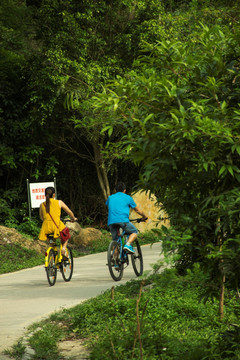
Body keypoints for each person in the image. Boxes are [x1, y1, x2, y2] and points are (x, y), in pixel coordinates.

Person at [105, 181, 147, 254]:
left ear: (115, 190)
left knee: (115, 242)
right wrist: (144, 216)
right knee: (134, 231)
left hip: (111, 222)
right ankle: (127, 245)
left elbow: (110, 206)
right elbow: (137, 210)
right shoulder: (128, 198)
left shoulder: (110, 198)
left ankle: (115, 263)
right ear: (124, 190)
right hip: (123, 221)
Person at [39, 187, 77, 259]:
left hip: (46, 229)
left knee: (52, 243)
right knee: (66, 235)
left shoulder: (42, 205)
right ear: (54, 195)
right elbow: (69, 212)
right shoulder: (59, 202)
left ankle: (52, 257)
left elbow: (41, 217)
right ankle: (63, 250)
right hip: (57, 227)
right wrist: (73, 218)